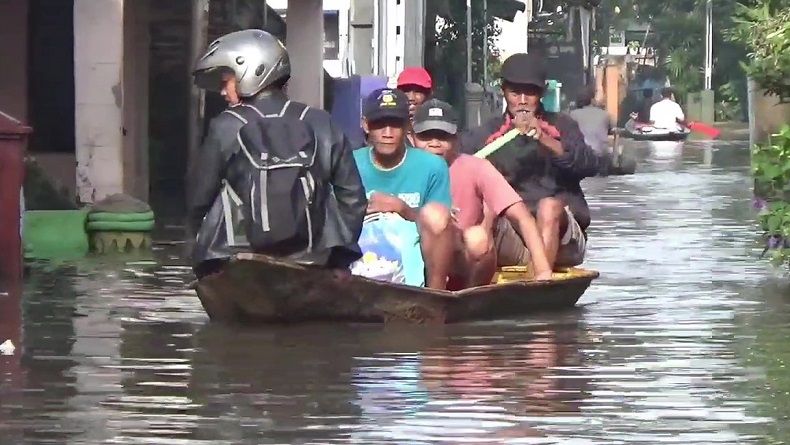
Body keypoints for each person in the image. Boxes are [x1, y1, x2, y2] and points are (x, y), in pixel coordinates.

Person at [186, 29, 367, 278]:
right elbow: (353, 199)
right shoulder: (322, 122)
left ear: (250, 71)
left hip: (239, 259)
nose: (222, 91)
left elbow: (198, 201)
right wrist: (338, 259)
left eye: (226, 81)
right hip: (315, 259)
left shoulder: (225, 125)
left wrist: (198, 248)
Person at [459, 52, 603, 270]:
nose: (523, 102)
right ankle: (474, 279)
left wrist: (544, 138)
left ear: (542, 93)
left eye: (530, 94)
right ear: (503, 91)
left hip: (563, 238)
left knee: (550, 207)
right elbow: (458, 166)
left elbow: (590, 165)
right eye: (515, 93)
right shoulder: (486, 134)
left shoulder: (563, 126)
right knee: (485, 211)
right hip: (514, 237)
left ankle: (540, 282)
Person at [410, 98, 553, 288]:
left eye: (443, 136)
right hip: (412, 256)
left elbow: (523, 217)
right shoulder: (401, 166)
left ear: (456, 139)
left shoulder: (476, 167)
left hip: (464, 261)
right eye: (426, 136)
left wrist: (543, 272)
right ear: (411, 138)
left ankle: (468, 297)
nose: (435, 143)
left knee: (477, 238)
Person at [352, 88, 454, 290]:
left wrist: (402, 208)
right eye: (379, 125)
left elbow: (439, 226)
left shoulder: (432, 166)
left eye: (395, 125)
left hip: (416, 259)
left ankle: (434, 297)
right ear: (365, 125)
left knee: (436, 214)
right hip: (362, 259)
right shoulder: (349, 162)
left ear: (408, 126)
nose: (387, 133)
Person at [569, 85, 613, 155]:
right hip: (600, 154)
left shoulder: (572, 115)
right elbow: (611, 131)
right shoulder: (605, 114)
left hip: (580, 155)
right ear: (591, 100)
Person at [396, 66, 433, 145]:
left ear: (428, 95)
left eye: (418, 91)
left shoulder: (437, 127)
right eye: (406, 91)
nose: (411, 98)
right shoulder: (390, 128)